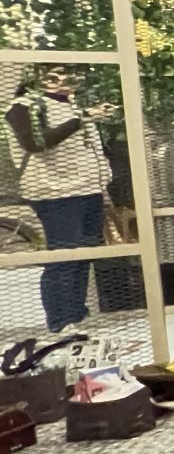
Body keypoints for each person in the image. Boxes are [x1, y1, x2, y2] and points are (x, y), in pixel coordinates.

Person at [5, 63, 113, 332]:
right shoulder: (24, 106)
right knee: (64, 256)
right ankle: (60, 322)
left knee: (84, 255)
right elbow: (35, 143)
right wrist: (81, 119)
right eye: (55, 75)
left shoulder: (71, 106)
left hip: (88, 189)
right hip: (55, 193)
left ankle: (77, 316)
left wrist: (103, 186)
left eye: (68, 74)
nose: (63, 80)